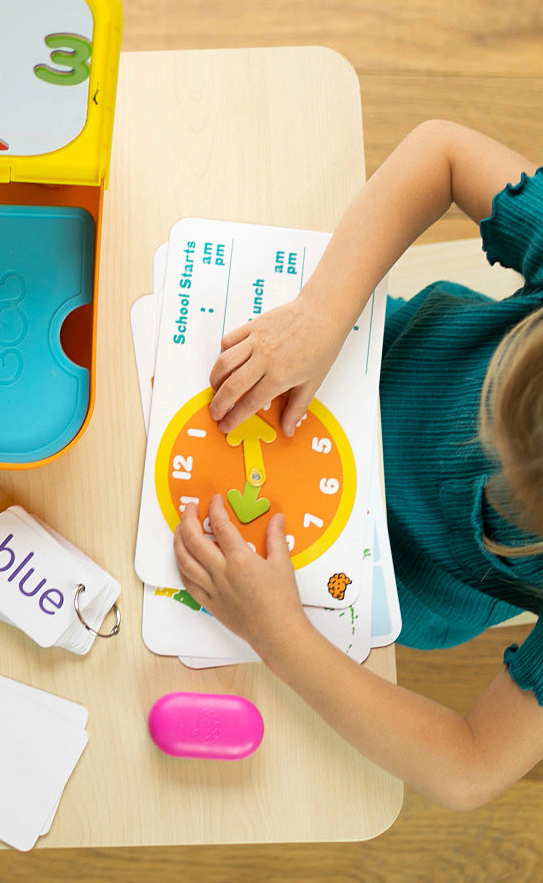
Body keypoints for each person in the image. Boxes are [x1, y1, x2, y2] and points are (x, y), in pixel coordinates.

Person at [173, 120, 543, 811]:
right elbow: (441, 151)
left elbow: (470, 767)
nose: (479, 435)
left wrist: (279, 635)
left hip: (382, 586)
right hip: (347, 361)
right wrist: (320, 311)